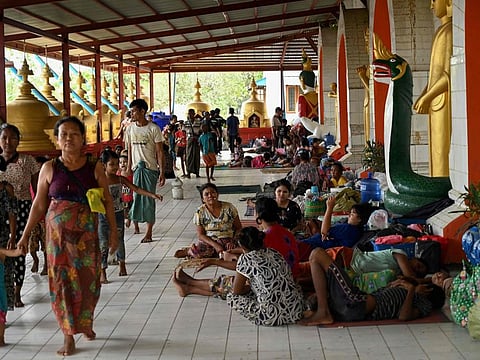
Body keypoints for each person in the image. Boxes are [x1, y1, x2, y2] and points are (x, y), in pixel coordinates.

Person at [16, 116, 118, 357]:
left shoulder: (95, 167)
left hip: (86, 238)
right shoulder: (49, 168)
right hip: (58, 241)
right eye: (64, 134)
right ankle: (68, 334)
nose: (69, 138)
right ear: (57, 139)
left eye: (74, 134)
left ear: (83, 138)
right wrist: (25, 235)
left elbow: (107, 201)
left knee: (88, 282)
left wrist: (113, 232)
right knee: (62, 283)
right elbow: (39, 205)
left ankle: (85, 323)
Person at [172, 226, 305, 326]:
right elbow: (243, 269)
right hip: (294, 307)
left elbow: (237, 291)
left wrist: (247, 286)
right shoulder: (273, 252)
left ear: (241, 245)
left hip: (272, 314)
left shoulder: (246, 259)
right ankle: (190, 284)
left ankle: (190, 287)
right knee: (235, 283)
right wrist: (216, 261)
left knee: (231, 292)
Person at [299, 247, 445, 325]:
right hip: (354, 304)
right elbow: (386, 294)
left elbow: (404, 316)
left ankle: (323, 312)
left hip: (356, 302)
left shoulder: (423, 303)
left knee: (317, 254)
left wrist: (412, 289)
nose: (415, 270)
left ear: (427, 291)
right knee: (315, 260)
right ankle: (320, 310)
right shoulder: (400, 261)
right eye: (418, 266)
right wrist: (396, 285)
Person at [98, 149, 163, 282]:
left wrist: (152, 195)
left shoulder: (120, 179)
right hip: (102, 216)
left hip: (118, 215)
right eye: (112, 164)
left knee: (120, 240)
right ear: (103, 165)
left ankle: (122, 263)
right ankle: (102, 271)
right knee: (103, 243)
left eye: (117, 164)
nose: (116, 167)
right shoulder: (98, 180)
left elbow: (136, 189)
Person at [0, 123, 41, 308]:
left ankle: (17, 291)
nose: (8, 142)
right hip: (1, 211)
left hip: (23, 208)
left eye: (12, 138)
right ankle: (6, 291)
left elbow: (38, 190)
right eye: (4, 138)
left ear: (18, 141)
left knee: (18, 248)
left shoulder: (27, 161)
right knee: (3, 251)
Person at [413, 0, 452, 177]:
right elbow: (434, 75)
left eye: (434, 1)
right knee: (435, 150)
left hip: (443, 101)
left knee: (443, 150)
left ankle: (445, 188)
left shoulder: (450, 32)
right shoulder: (440, 32)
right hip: (436, 102)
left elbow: (447, 75)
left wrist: (427, 97)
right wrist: (424, 95)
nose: (431, 5)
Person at [124, 98, 165, 243]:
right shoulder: (129, 129)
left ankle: (149, 232)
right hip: (136, 169)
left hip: (150, 169)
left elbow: (159, 152)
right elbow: (129, 150)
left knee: (149, 200)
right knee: (136, 198)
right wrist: (129, 167)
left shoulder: (154, 129)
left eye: (134, 111)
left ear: (142, 111)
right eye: (131, 111)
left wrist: (162, 172)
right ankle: (135, 223)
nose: (132, 114)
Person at [174, 183, 242, 259]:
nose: (210, 196)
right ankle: (190, 251)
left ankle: (223, 252)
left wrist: (233, 241)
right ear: (203, 199)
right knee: (200, 254)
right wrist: (216, 245)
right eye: (206, 194)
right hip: (210, 241)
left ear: (217, 194)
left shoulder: (229, 208)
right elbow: (201, 235)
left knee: (244, 250)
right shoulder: (200, 212)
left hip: (229, 240)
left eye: (213, 192)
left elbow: (239, 228)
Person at [299, 196, 373, 251]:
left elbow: (324, 231)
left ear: (360, 219)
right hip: (313, 245)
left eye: (352, 214)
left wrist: (329, 207)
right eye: (350, 213)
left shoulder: (349, 229)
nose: (349, 215)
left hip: (311, 247)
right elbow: (326, 233)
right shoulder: (355, 231)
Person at [0, 156, 17, 314]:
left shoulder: (6, 189)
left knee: (4, 274)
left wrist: (12, 236)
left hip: (2, 236)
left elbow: (12, 214)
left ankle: (2, 311)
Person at [29, 156, 48, 276]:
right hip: (34, 218)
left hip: (45, 218)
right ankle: (35, 260)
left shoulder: (48, 183)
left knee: (46, 245)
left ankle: (46, 265)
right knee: (32, 245)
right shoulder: (30, 184)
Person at [297, 49, 318, 119]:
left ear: (302, 82)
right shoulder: (319, 97)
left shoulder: (302, 98)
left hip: (308, 126)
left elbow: (302, 116)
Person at [185, 108, 201, 178]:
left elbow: (201, 130)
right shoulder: (186, 123)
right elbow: (184, 132)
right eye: (189, 114)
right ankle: (188, 172)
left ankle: (197, 172)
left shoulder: (198, 122)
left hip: (196, 139)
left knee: (196, 156)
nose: (190, 115)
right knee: (189, 156)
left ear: (194, 114)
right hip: (189, 140)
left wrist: (198, 137)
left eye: (192, 113)